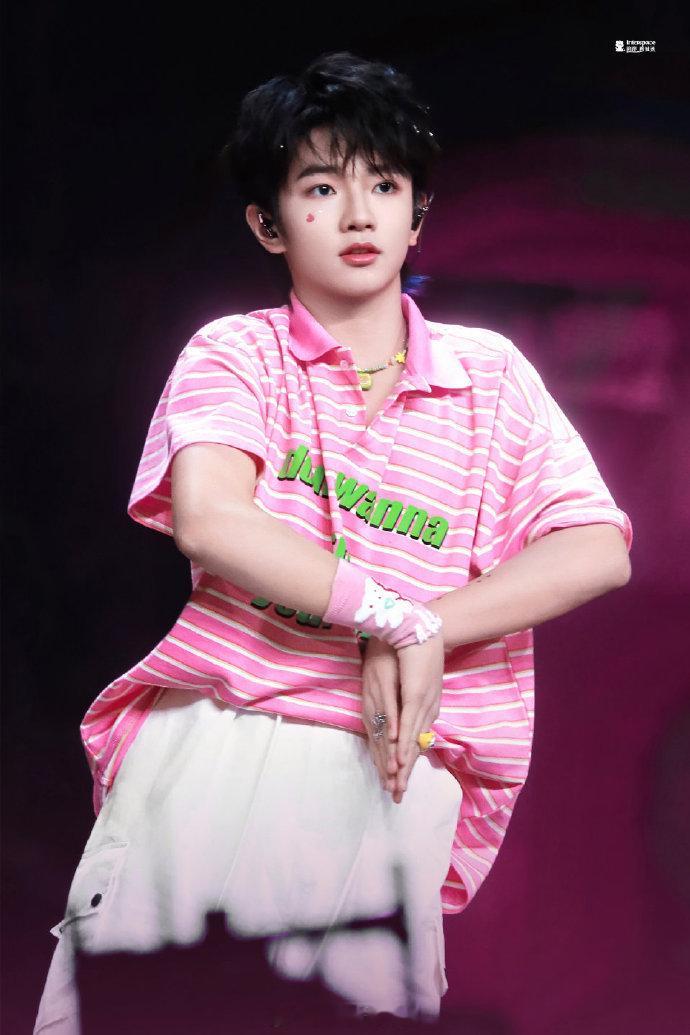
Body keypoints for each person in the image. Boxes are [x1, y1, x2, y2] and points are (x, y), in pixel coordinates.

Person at [33, 50, 633, 1032]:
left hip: (394, 773)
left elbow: (597, 546)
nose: (358, 215)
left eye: (384, 186)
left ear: (418, 213)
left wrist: (427, 625)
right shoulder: (238, 351)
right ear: (267, 223)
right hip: (226, 738)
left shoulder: (492, 376)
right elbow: (211, 517)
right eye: (321, 187)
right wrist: (390, 615)